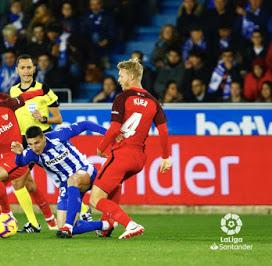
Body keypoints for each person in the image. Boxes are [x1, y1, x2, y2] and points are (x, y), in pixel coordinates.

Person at [89, 58, 172, 240]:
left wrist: (100, 147)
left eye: (121, 75)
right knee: (114, 186)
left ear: (132, 76)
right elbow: (164, 131)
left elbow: (114, 129)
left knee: (94, 199)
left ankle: (130, 224)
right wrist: (166, 157)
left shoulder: (123, 97)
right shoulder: (153, 102)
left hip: (122, 154)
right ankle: (107, 226)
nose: (119, 79)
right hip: (139, 159)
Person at [0, 68, 57, 232]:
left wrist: (41, 91)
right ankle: (3, 223)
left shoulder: (7, 104)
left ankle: (8, 216)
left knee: (2, 179)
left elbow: (24, 97)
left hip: (16, 155)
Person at [11, 122, 115, 238]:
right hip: (66, 185)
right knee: (61, 228)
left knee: (73, 180)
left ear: (44, 138)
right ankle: (105, 225)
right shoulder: (32, 153)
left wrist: (109, 134)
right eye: (30, 144)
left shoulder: (58, 136)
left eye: (37, 142)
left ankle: (69, 225)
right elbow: (20, 163)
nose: (35, 147)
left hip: (85, 171)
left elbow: (85, 125)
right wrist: (19, 154)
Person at [9, 54, 68, 232]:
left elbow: (58, 118)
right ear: (17, 70)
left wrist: (43, 118)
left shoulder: (44, 89)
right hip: (24, 142)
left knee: (63, 179)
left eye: (29, 67)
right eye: (23, 68)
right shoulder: (13, 91)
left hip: (44, 140)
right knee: (20, 182)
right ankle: (36, 223)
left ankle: (82, 212)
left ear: (34, 69)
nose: (26, 71)